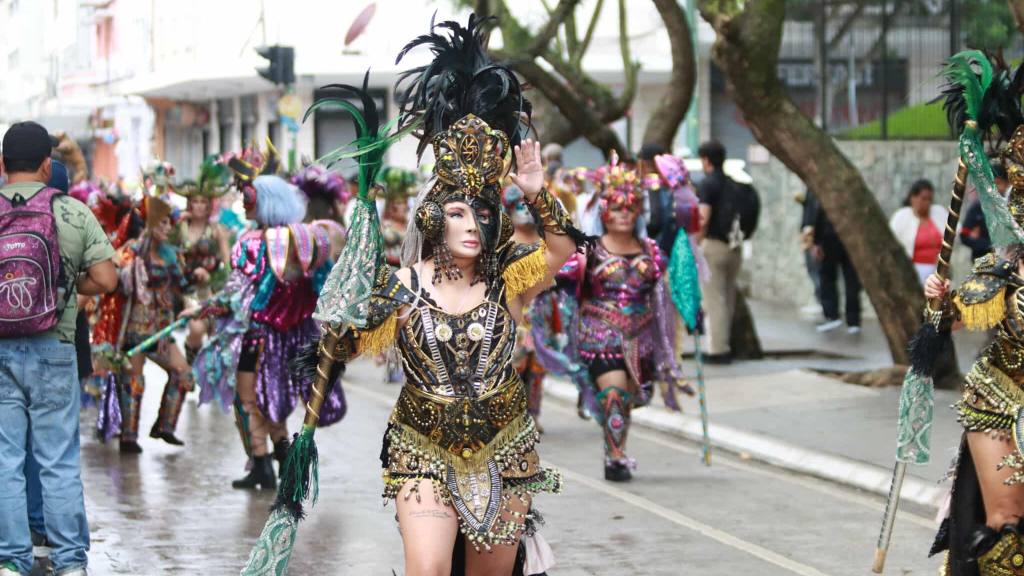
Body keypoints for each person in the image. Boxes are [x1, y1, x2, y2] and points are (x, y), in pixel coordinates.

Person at [309, 17, 581, 574]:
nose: (472, 225)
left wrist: (536, 193)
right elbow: (342, 343)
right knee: (428, 570)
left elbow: (561, 250)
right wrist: (337, 327)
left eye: (481, 213)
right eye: (457, 212)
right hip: (421, 447)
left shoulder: (509, 279)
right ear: (434, 218)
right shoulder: (402, 286)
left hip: (506, 446)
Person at [0, 121, 117, 576]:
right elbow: (108, 279)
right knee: (58, 460)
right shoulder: (71, 213)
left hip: (1, 351)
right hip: (55, 346)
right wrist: (66, 286)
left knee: (6, 460)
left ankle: (11, 559)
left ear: (3, 165)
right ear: (48, 166)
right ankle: (70, 563)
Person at [192, 173, 346, 490]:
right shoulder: (307, 239)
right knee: (269, 398)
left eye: (250, 198)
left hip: (260, 335)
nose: (245, 203)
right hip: (297, 334)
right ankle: (275, 459)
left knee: (251, 399)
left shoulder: (255, 243)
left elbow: (236, 294)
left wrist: (203, 308)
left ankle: (270, 460)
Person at [559, 153, 692, 482]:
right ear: (604, 210)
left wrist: (688, 315)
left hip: (641, 339)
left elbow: (662, 300)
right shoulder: (588, 250)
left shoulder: (652, 251)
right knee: (614, 393)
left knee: (627, 399)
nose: (623, 214)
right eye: (616, 207)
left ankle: (614, 447)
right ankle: (616, 457)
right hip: (599, 337)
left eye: (630, 207)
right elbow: (567, 290)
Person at [110, 195, 192, 453]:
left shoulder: (169, 256)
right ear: (152, 223)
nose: (168, 228)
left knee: (184, 375)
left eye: (171, 223)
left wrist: (196, 289)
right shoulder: (133, 249)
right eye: (164, 223)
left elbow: (183, 287)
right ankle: (129, 437)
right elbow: (113, 270)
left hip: (161, 331)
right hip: (133, 329)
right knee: (133, 382)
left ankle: (164, 427)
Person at [696, 140, 758, 363]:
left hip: (713, 247)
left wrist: (696, 242)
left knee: (713, 300)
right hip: (735, 248)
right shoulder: (735, 184)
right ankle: (726, 344)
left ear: (705, 160)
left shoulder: (708, 184)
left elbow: (703, 217)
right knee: (728, 298)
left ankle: (717, 350)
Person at [174, 157, 232, 364]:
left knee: (217, 332)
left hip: (213, 288)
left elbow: (228, 262)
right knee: (197, 329)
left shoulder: (217, 230)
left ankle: (212, 377)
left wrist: (221, 280)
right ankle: (192, 364)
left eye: (203, 202)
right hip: (188, 288)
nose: (198, 206)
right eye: (195, 201)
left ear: (209, 206)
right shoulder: (180, 227)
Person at [802, 191, 862, 334]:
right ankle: (848, 319)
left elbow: (818, 214)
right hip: (840, 239)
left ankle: (837, 317)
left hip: (831, 238)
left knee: (834, 278)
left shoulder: (824, 190)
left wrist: (816, 242)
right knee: (845, 280)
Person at [889, 179, 946, 285]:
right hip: (913, 270)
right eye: (923, 199)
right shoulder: (901, 216)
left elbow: (955, 233)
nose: (927, 203)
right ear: (913, 198)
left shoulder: (939, 212)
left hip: (938, 270)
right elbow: (891, 242)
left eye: (930, 199)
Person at [960, 165, 999, 261]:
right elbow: (965, 235)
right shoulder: (977, 208)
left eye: (998, 184)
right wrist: (988, 245)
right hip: (982, 258)